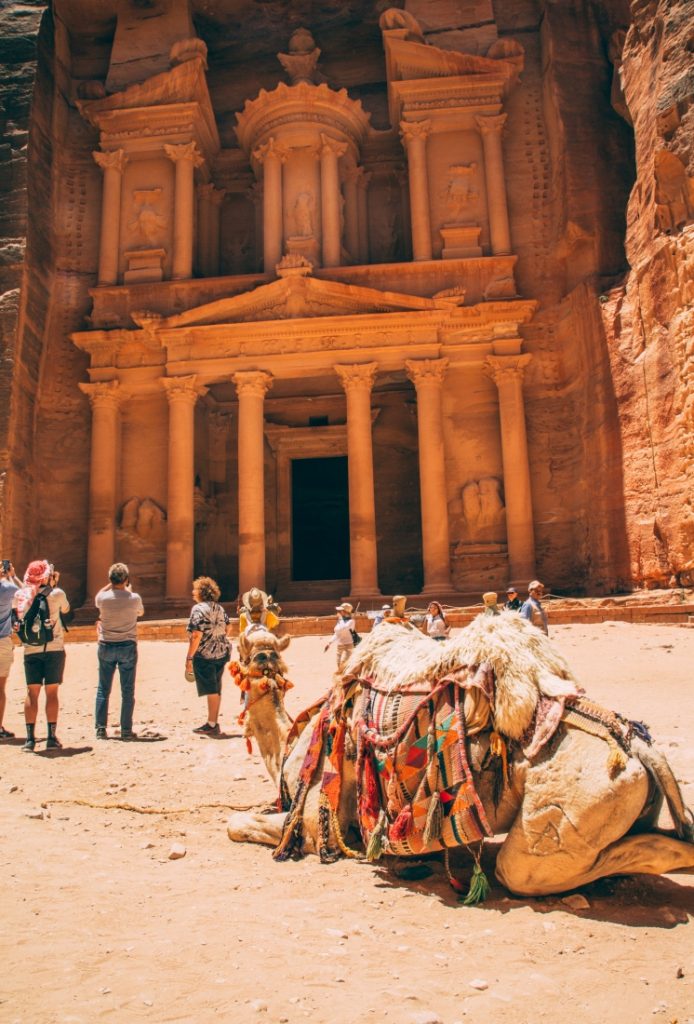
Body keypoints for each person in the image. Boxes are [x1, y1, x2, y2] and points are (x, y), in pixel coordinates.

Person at [13, 560, 70, 751]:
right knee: (51, 692)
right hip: (54, 649)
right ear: (47, 575)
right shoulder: (57, 594)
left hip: (31, 650)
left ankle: (30, 740)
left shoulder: (20, 595)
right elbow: (66, 610)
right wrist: (53, 585)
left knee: (32, 692)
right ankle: (51, 737)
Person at [94, 562, 145, 740]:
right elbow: (140, 612)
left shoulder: (103, 599)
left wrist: (111, 584)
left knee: (103, 689)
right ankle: (126, 730)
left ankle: (100, 729)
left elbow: (98, 595)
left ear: (110, 579)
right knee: (127, 691)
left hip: (106, 645)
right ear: (126, 579)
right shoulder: (134, 598)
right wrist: (128, 589)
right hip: (127, 646)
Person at [186, 576, 231, 736]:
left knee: (211, 689)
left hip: (205, 654)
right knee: (216, 688)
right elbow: (227, 629)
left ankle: (212, 724)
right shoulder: (219, 608)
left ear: (200, 592)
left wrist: (190, 657)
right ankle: (212, 722)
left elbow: (196, 635)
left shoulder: (198, 609)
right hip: (221, 653)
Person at [0, 560, 21, 738]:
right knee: (0, 687)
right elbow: (22, 596)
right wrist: (11, 575)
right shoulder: (7, 589)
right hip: (2, 642)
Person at [324, 602, 355, 670]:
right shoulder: (341, 621)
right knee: (338, 664)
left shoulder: (351, 621)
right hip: (340, 645)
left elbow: (343, 629)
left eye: (340, 611)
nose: (338, 612)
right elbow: (337, 633)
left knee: (343, 663)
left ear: (345, 611)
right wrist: (329, 643)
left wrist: (341, 619)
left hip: (348, 645)